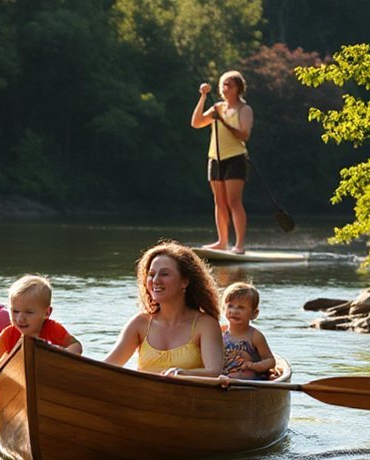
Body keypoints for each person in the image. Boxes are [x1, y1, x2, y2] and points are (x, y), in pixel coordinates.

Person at [0, 275, 82, 437]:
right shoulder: (9, 334)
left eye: (29, 312)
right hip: (11, 386)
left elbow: (76, 346)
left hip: (41, 385)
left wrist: (58, 359)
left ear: (47, 313)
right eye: (14, 311)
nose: (20, 318)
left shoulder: (52, 329)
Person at [103, 241, 223, 378]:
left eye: (164, 274)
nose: (155, 280)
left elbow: (214, 372)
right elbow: (106, 367)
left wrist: (181, 373)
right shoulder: (139, 323)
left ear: (185, 281)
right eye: (151, 274)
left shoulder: (206, 324)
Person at [191, 70, 254, 254]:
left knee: (234, 201)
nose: (225, 89)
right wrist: (203, 97)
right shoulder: (217, 108)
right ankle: (222, 241)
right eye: (223, 85)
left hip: (235, 158)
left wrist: (224, 122)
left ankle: (239, 245)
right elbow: (196, 123)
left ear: (238, 88)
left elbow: (244, 135)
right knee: (219, 201)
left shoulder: (244, 109)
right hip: (215, 158)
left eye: (230, 85)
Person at [221, 282, 275, 379]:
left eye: (241, 307)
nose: (234, 311)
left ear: (254, 313)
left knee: (240, 375)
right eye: (230, 306)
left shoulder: (255, 336)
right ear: (224, 308)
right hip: (224, 375)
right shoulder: (220, 331)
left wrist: (253, 366)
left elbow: (270, 361)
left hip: (247, 378)